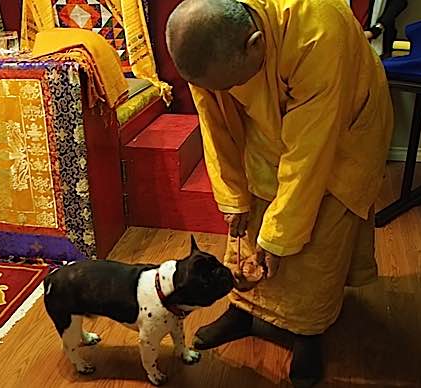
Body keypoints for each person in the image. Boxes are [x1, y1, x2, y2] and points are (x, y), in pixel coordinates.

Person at [165, 0, 394, 386]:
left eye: (231, 84)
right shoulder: (205, 40)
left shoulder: (318, 31)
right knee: (250, 218)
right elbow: (216, 123)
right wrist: (233, 194)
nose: (225, 93)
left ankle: (308, 331)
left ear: (254, 43)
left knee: (317, 232)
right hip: (268, 124)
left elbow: (310, 154)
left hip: (343, 129)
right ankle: (244, 309)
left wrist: (278, 237)